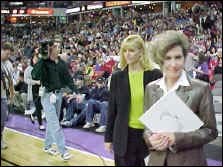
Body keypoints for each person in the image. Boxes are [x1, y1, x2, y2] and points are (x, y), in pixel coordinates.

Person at [143, 30, 218, 166]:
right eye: (168, 58)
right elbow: (147, 128)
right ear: (160, 60)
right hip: (156, 161)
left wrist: (176, 138)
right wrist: (150, 139)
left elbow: (210, 131)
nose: (173, 64)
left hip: (189, 161)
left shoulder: (201, 89)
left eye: (178, 57)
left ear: (184, 57)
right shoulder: (151, 88)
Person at [104, 34, 162, 166]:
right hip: (124, 136)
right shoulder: (117, 77)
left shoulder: (154, 75)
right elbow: (112, 110)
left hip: (148, 137)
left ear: (141, 52)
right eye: (124, 50)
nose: (127, 54)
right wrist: (108, 138)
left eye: (131, 50)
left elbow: (162, 107)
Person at [31, 40, 76, 161]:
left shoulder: (61, 63)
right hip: (47, 95)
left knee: (52, 122)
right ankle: (63, 151)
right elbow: (34, 75)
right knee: (55, 124)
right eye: (56, 46)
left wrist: (74, 91)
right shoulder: (44, 62)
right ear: (50, 49)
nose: (58, 48)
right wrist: (42, 58)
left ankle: (47, 146)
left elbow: (67, 78)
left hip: (58, 95)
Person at [24, 55, 45, 130]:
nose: (36, 60)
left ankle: (32, 114)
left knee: (42, 105)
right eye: (35, 58)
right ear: (32, 59)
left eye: (37, 59)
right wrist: (35, 82)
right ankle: (40, 124)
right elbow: (26, 80)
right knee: (38, 106)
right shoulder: (28, 69)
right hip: (33, 90)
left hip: (41, 90)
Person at [1, 42, 14, 149]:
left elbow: (10, 81)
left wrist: (12, 95)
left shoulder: (9, 64)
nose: (8, 56)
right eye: (7, 54)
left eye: (10, 54)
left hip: (3, 95)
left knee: (3, 118)